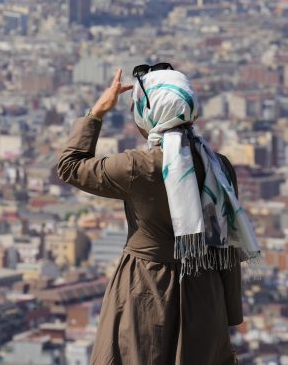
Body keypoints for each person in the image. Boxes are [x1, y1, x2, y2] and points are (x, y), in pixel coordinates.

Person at [57, 65, 260, 364]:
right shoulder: (219, 166)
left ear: (150, 114)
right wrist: (226, 309)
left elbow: (70, 166)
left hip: (145, 289)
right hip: (204, 292)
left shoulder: (138, 166)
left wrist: (97, 111)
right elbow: (225, 243)